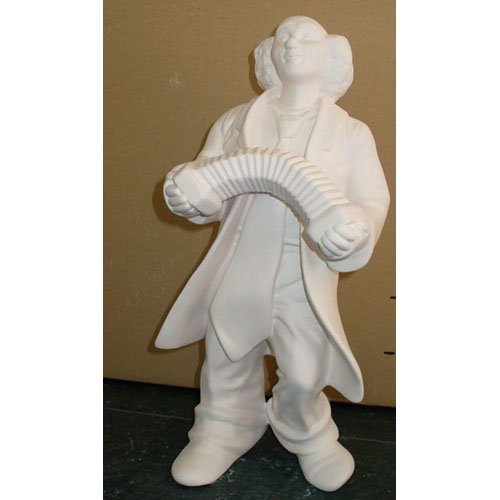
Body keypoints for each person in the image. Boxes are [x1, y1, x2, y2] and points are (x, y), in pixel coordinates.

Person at [156, 16, 390, 492]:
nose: (291, 44)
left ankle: (307, 432)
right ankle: (224, 428)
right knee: (227, 353)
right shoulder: (235, 121)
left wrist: (357, 227)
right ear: (268, 54)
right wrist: (189, 197)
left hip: (303, 268)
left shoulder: (350, 132)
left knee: (305, 368)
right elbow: (206, 184)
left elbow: (372, 198)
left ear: (331, 56)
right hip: (242, 259)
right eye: (283, 37)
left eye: (306, 38)